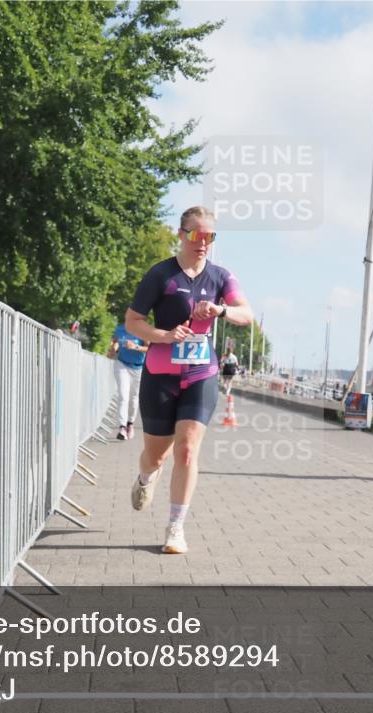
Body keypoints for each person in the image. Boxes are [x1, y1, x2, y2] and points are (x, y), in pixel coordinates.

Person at [124, 206, 253, 554]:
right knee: (157, 456)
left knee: (186, 450)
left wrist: (220, 310)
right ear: (181, 234)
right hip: (160, 374)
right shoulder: (161, 275)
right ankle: (145, 478)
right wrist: (163, 335)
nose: (203, 243)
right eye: (196, 235)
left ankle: (175, 528)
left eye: (209, 236)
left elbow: (246, 314)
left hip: (201, 374)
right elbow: (133, 321)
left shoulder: (221, 277)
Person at [108, 321, 147, 440]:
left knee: (134, 398)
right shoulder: (120, 329)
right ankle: (122, 427)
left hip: (138, 367)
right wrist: (113, 350)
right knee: (123, 396)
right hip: (122, 364)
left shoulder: (143, 330)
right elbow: (116, 342)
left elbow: (149, 348)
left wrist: (135, 347)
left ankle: (130, 423)